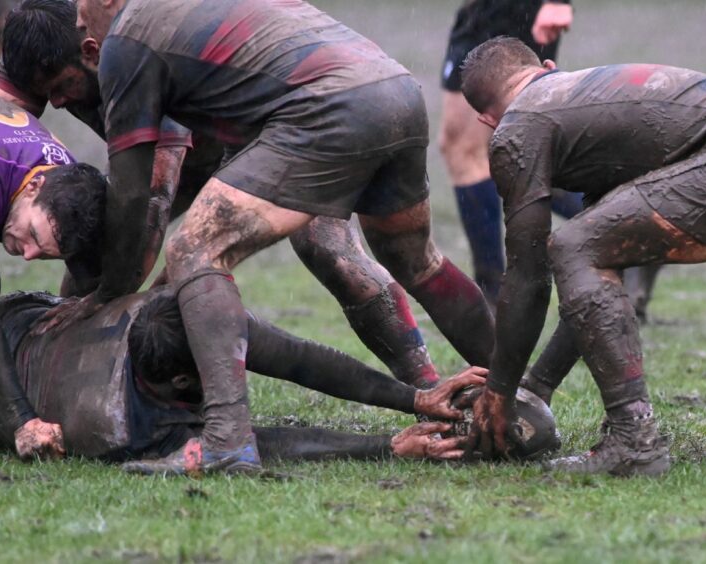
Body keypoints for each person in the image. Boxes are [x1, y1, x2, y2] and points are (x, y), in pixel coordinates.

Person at [67, 0, 496, 474]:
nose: (80, 20)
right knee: (419, 262)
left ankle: (226, 440)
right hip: (393, 89)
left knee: (194, 250)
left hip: (323, 109)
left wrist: (108, 296)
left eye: (83, 9)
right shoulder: (189, 15)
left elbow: (131, 194)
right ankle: (515, 397)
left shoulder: (128, 37)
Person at [0, 0, 441, 389]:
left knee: (327, 249)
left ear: (88, 49)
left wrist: (112, 299)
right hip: (185, 156)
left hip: (268, 134)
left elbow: (151, 199)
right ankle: (70, 377)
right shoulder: (36, 42)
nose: (57, 103)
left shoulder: (129, 49)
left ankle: (427, 386)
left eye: (61, 87)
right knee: (85, 227)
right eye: (45, 92)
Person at [459, 38, 706, 475]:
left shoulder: (518, 128)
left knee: (572, 245)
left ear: (486, 119)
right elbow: (600, 278)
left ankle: (634, 442)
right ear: (548, 66)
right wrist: (538, 386)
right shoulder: (587, 102)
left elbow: (527, 276)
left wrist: (500, 391)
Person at [0, 289, 558, 472]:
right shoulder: (121, 430)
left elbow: (298, 359)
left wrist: (414, 396)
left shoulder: (176, 313)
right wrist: (384, 445)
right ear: (187, 379)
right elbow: (257, 440)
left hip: (23, 315)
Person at [0, 90, 107, 460]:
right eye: (34, 236)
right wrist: (24, 421)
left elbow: (91, 271)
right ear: (34, 187)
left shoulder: (66, 183)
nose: (29, 254)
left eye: (45, 254)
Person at [439, 0, 576, 302]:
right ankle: (624, 220)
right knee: (500, 151)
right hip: (482, 12)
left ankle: (491, 296)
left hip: (509, 10)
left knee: (471, 151)